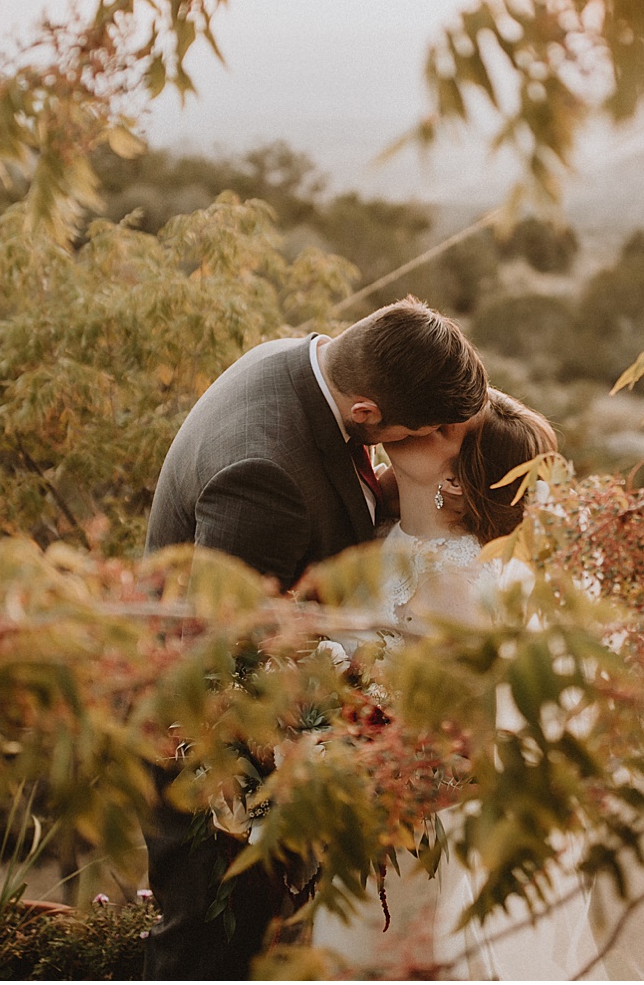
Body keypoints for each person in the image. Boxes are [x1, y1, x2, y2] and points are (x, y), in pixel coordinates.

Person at [317, 389, 644, 980]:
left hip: (418, 838)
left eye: (440, 430)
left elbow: (480, 748)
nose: (414, 424)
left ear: (458, 483)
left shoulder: (466, 588)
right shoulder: (385, 531)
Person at [140, 296, 488, 980]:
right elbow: (234, 658)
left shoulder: (298, 361)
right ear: (366, 413)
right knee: (210, 945)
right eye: (421, 429)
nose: (426, 440)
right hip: (211, 758)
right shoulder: (263, 474)